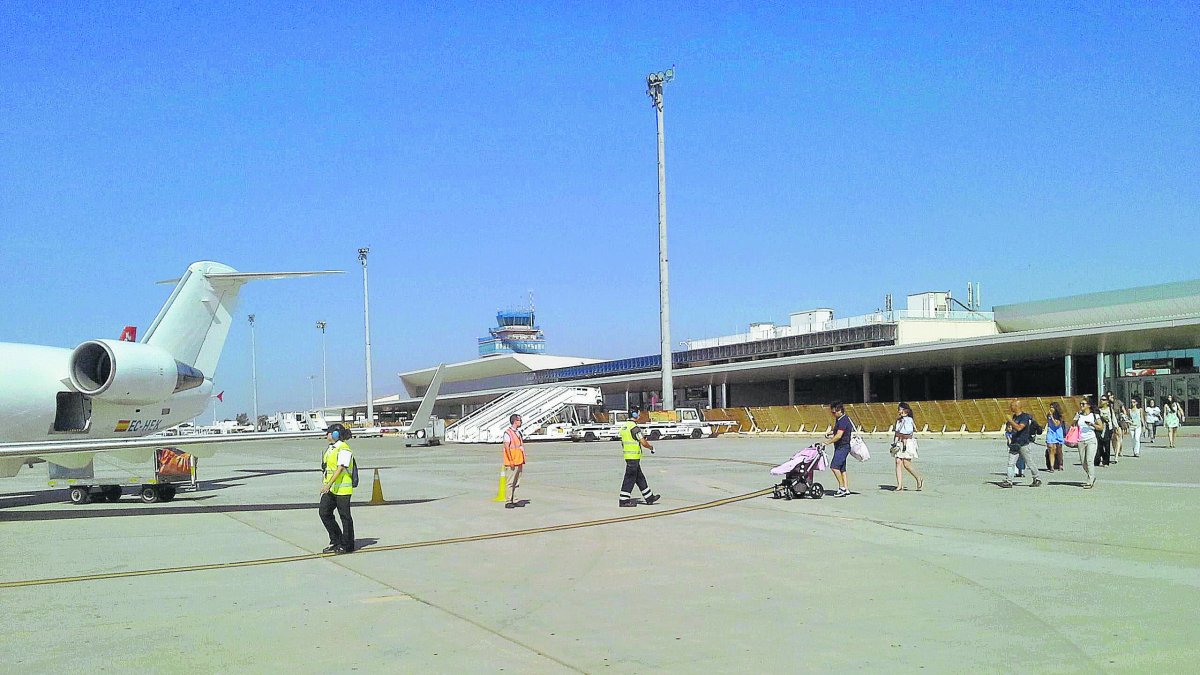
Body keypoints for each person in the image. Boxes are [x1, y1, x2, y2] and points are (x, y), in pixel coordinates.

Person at [319, 424, 356, 554]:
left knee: (345, 517)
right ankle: (336, 540)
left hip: (342, 489)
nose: (326, 435)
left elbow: (340, 468)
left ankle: (348, 545)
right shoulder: (331, 448)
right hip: (332, 489)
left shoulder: (344, 448)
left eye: (328, 432)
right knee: (324, 512)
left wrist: (327, 485)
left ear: (335, 434)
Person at [618, 407, 661, 507]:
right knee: (629, 478)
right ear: (634, 415)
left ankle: (649, 497)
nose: (639, 415)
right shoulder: (634, 428)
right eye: (638, 413)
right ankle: (623, 500)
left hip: (628, 456)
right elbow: (643, 442)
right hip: (633, 457)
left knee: (639, 477)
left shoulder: (624, 427)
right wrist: (651, 448)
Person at [1001, 399, 1041, 488]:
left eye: (1012, 406)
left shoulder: (1025, 417)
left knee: (1029, 462)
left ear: (1016, 406)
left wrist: (1010, 421)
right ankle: (1009, 481)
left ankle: (1037, 478)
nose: (1010, 407)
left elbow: (1019, 428)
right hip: (1015, 443)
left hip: (1023, 443)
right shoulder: (1014, 416)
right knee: (1010, 463)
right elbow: (1012, 428)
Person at [822, 401, 855, 497]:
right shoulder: (839, 419)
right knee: (842, 469)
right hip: (840, 446)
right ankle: (846, 487)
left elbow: (839, 435)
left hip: (843, 446)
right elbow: (837, 431)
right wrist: (831, 433)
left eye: (834, 412)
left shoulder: (843, 420)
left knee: (834, 466)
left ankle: (842, 488)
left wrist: (827, 442)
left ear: (839, 410)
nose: (833, 414)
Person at [891, 402, 923, 491]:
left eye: (900, 409)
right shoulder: (898, 420)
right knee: (898, 462)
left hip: (908, 442)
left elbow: (911, 431)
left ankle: (918, 478)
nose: (899, 410)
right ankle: (899, 485)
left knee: (906, 464)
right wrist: (894, 442)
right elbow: (896, 432)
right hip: (899, 442)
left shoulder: (909, 420)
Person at [502, 414, 526, 509]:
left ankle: (515, 499)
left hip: (519, 460)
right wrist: (510, 460)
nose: (521, 422)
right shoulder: (508, 433)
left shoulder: (518, 433)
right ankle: (508, 500)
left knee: (517, 482)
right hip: (512, 461)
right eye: (519, 420)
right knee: (510, 482)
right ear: (515, 421)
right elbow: (507, 447)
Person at [1074, 397, 1099, 489]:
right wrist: (1075, 418)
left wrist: (1092, 424)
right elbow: (1073, 425)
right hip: (1081, 440)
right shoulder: (1079, 415)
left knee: (1089, 460)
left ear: (1088, 405)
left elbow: (1101, 427)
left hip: (1091, 439)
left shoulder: (1094, 415)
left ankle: (1090, 480)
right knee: (1083, 463)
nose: (1081, 405)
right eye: (1080, 404)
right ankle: (1091, 475)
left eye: (1083, 404)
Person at [1107, 392, 1128, 462]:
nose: (1108, 397)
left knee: (1119, 438)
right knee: (1113, 439)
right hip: (1110, 423)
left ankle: (1118, 452)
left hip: (1118, 422)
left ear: (1112, 396)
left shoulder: (1118, 402)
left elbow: (1123, 410)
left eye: (1109, 396)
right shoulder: (1107, 404)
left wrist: (1124, 416)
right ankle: (1116, 451)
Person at [1044, 401, 1065, 471]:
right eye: (1050, 407)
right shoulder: (1048, 415)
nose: (1051, 409)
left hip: (1058, 433)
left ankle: (1060, 464)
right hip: (1051, 432)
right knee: (1050, 448)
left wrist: (1052, 417)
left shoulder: (1060, 416)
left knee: (1059, 450)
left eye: (1052, 407)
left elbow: (1056, 424)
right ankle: (1052, 466)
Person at [1094, 397, 1114, 467]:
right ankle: (1101, 457)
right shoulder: (1098, 410)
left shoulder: (1110, 410)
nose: (1102, 401)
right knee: (1099, 445)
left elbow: (1113, 418)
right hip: (1099, 429)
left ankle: (1106, 462)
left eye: (1104, 400)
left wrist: (1116, 427)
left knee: (1107, 445)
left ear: (1107, 402)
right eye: (1101, 399)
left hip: (1108, 428)